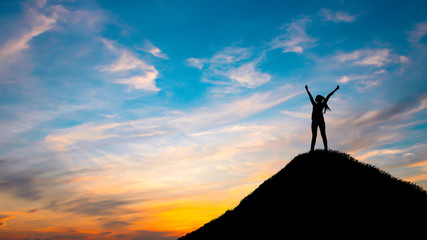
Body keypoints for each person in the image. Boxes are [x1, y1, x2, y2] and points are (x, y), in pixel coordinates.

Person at [305, 85, 339, 152]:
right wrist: (307, 90)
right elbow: (328, 96)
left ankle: (321, 149)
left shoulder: (316, 104)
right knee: (319, 135)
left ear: (318, 99)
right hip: (316, 121)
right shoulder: (318, 104)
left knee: (318, 135)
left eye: (316, 98)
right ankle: (315, 149)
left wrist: (335, 89)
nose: (315, 99)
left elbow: (328, 96)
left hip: (318, 121)